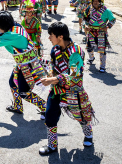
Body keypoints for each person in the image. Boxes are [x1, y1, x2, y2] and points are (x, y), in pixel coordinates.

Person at [39, 22, 95, 155]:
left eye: (51, 35)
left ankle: (88, 135)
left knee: (81, 117)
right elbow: (53, 67)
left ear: (60, 36)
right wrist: (49, 73)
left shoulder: (76, 53)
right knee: (49, 117)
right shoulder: (55, 49)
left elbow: (74, 77)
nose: (49, 38)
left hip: (73, 91)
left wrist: (52, 80)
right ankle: (52, 146)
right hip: (56, 90)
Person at [0, 11, 47, 119]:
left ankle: (46, 107)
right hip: (23, 63)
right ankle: (18, 106)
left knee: (24, 92)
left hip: (27, 66)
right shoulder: (15, 26)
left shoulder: (11, 35)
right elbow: (1, 33)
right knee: (13, 83)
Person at [83, 0, 116, 73]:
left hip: (101, 32)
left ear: (101, 1)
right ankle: (91, 58)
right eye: (94, 1)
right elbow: (85, 19)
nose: (95, 2)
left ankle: (102, 66)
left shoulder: (106, 11)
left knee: (102, 50)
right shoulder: (89, 9)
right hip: (91, 31)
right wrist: (85, 26)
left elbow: (113, 20)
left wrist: (107, 26)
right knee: (89, 48)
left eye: (97, 1)